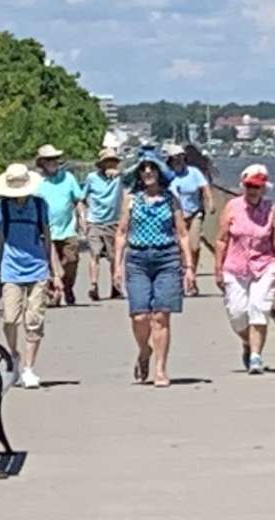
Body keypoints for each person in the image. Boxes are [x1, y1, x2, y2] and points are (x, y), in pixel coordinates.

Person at [0, 163, 65, 389]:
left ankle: (29, 369)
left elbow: (48, 240)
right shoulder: (0, 207)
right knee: (10, 319)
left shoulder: (40, 206)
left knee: (34, 321)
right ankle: (13, 354)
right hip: (11, 268)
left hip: (38, 268)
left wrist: (55, 272)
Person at [113, 151, 196, 388]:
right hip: (137, 258)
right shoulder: (131, 199)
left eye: (152, 168)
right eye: (144, 169)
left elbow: (182, 233)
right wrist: (117, 266)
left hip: (167, 258)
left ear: (160, 172)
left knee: (161, 315)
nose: (148, 172)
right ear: (139, 174)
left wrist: (189, 267)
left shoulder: (171, 199)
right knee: (140, 315)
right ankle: (144, 350)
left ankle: (160, 369)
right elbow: (121, 233)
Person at [213, 164, 275, 375]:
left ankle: (256, 357)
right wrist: (218, 268)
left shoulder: (271, 210)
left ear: (264, 188)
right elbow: (221, 240)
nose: (252, 190)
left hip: (265, 265)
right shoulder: (232, 207)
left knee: (258, 308)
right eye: (249, 186)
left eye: (257, 187)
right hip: (235, 266)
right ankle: (248, 343)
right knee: (237, 314)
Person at [35, 144, 86, 306]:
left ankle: (67, 285)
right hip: (46, 229)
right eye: (49, 160)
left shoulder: (68, 178)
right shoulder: (37, 182)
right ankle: (54, 292)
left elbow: (77, 200)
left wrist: (82, 217)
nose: (52, 162)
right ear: (42, 162)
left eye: (54, 159)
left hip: (67, 228)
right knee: (49, 264)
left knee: (71, 259)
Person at [164, 143, 215, 296]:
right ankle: (181, 279)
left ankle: (192, 276)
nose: (179, 160)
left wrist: (210, 202)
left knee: (194, 247)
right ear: (170, 160)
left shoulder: (193, 172)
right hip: (174, 216)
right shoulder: (167, 175)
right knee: (178, 249)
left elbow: (205, 188)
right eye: (175, 158)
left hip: (194, 213)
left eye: (181, 157)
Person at [82, 148, 124, 301]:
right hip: (95, 221)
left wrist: (120, 174)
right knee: (95, 253)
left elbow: (136, 171)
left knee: (114, 257)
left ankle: (115, 286)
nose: (110, 165)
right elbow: (82, 197)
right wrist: (84, 217)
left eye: (113, 162)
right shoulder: (91, 178)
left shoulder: (121, 178)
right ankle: (94, 285)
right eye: (107, 162)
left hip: (114, 221)